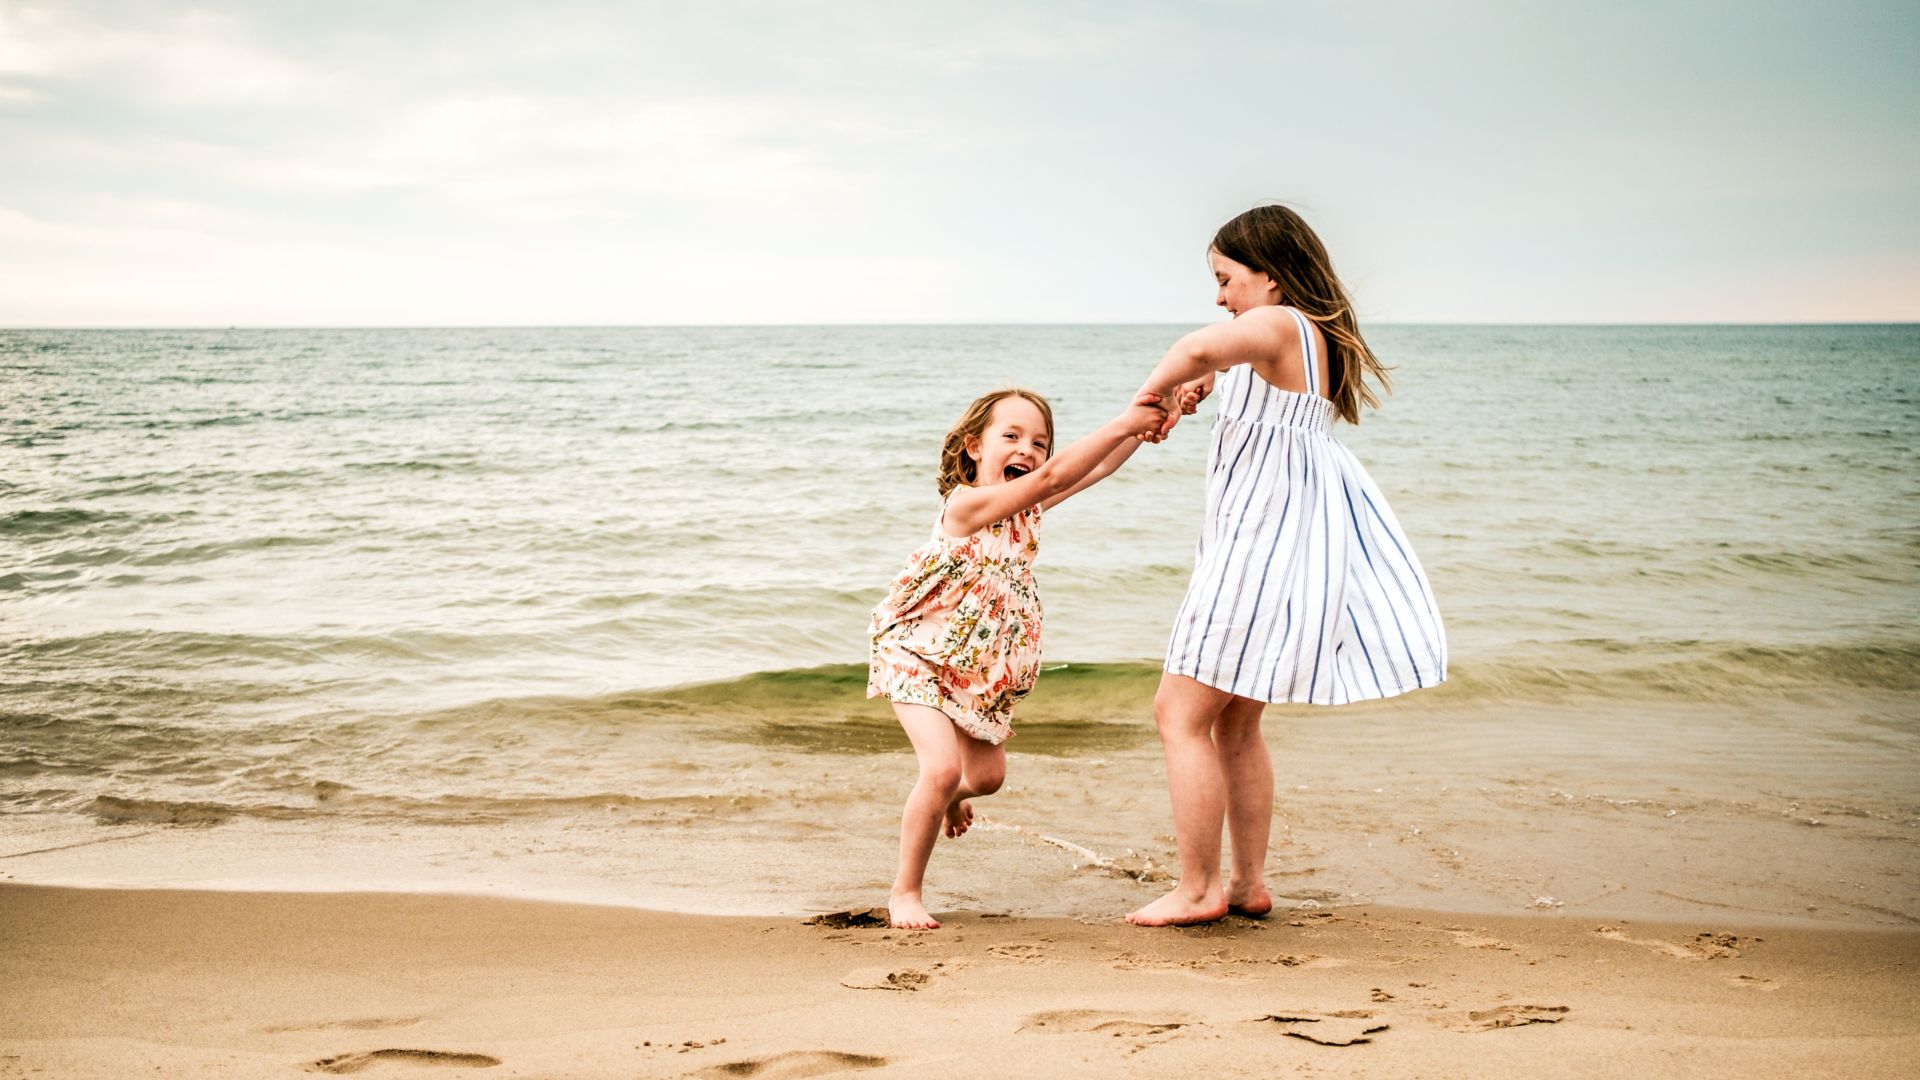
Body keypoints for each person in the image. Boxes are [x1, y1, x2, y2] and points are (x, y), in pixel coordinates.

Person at [1124, 204, 1448, 927]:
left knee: (1178, 713)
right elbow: (1232, 368)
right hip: (1287, 550)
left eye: (1226, 278)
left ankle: (1199, 887)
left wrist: (1145, 396)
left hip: (1257, 551)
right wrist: (1210, 385)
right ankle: (1247, 883)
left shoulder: (1279, 323)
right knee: (1236, 725)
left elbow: (1197, 345)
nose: (1219, 297)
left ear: (1270, 276)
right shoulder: (1303, 336)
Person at [868, 386, 1168, 930]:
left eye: (1040, 442)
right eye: (1010, 437)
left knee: (984, 779)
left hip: (976, 667)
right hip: (917, 649)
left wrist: (1149, 421)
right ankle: (905, 892)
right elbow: (1055, 477)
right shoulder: (965, 503)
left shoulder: (1026, 508)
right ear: (971, 448)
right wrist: (1125, 418)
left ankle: (948, 796)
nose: (1028, 450)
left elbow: (1094, 470)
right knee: (939, 769)